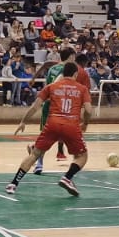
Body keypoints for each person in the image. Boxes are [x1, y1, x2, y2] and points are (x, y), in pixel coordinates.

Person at [4, 60, 91, 198]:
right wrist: (85, 123)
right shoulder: (82, 89)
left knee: (34, 154)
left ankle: (13, 184)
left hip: (53, 124)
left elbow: (35, 106)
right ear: (75, 74)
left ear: (63, 73)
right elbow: (88, 110)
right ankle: (67, 178)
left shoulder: (51, 87)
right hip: (71, 125)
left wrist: (23, 122)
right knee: (82, 156)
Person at [33, 45, 93, 175]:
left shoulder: (52, 68)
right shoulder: (70, 71)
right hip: (62, 107)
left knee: (45, 135)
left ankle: (39, 163)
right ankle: (75, 161)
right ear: (71, 57)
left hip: (48, 105)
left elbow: (48, 82)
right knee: (69, 134)